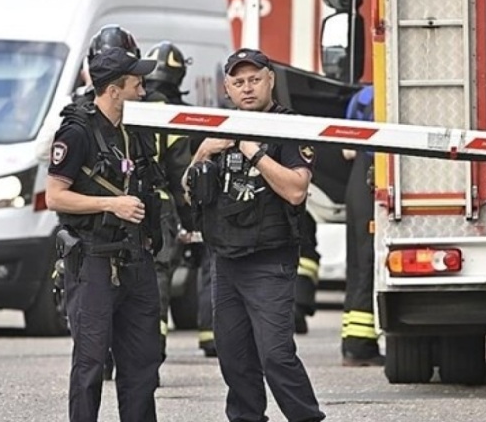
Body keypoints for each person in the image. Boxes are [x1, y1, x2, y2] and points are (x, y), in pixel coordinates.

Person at [186, 48, 325, 422]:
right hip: (225, 260)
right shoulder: (218, 125)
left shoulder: (289, 126)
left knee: (275, 355)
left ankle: (306, 418)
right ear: (227, 88)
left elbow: (297, 190)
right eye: (238, 82)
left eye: (254, 80)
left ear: (270, 80)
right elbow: (190, 192)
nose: (246, 88)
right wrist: (201, 153)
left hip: (269, 260)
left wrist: (253, 151)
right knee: (234, 357)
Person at [45, 47, 164, 422]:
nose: (143, 91)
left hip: (136, 260)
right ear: (114, 90)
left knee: (143, 364)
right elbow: (54, 196)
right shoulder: (77, 131)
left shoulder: (135, 130)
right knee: (91, 363)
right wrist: (110, 205)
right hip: (93, 261)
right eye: (137, 84)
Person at [141, 41, 218, 358]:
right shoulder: (170, 112)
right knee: (158, 274)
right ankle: (153, 347)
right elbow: (178, 170)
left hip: (114, 204)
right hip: (159, 205)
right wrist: (190, 216)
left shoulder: (126, 102)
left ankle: (108, 352)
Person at [340, 84, 385, 367]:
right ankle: (359, 345)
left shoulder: (363, 96)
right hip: (373, 179)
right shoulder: (381, 94)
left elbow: (346, 150)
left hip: (357, 184)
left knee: (357, 264)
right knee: (368, 262)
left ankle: (353, 341)